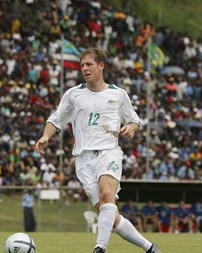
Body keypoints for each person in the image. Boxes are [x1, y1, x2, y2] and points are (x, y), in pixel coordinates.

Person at [34, 47, 161, 253]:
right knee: (108, 214)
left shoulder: (118, 94)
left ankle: (100, 248)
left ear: (101, 66)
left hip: (108, 152)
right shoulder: (73, 95)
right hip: (83, 160)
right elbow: (56, 119)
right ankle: (149, 247)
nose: (84, 68)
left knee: (107, 193)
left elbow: (134, 119)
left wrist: (131, 127)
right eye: (82, 65)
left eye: (89, 64)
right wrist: (45, 136)